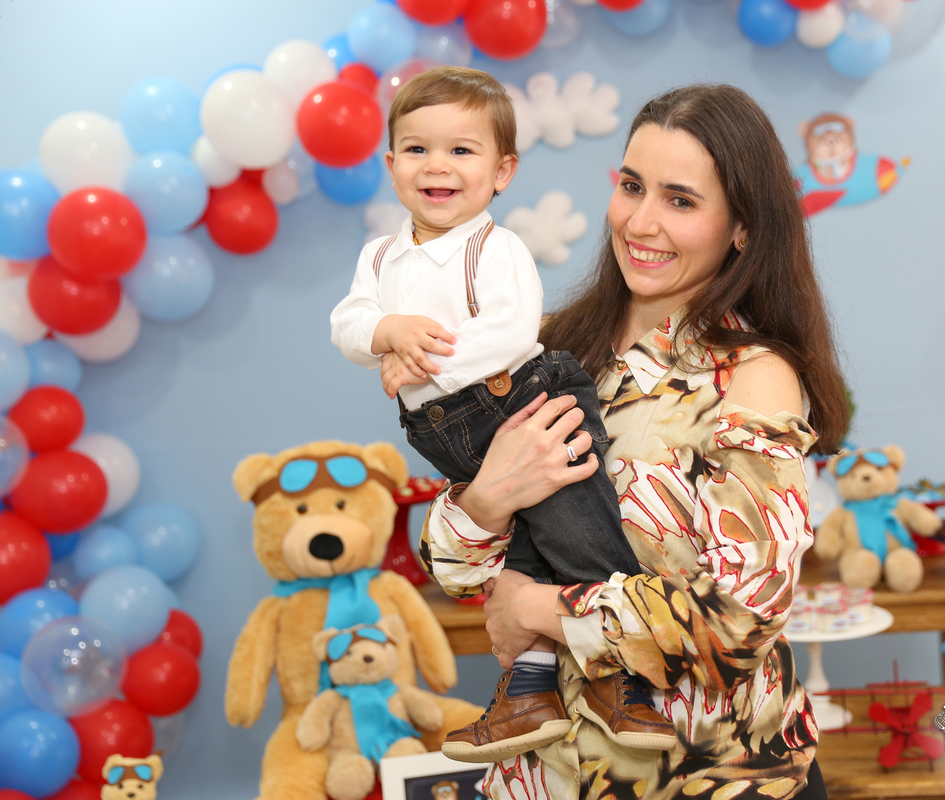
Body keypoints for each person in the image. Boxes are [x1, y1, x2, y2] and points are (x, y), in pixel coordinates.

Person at [421, 83, 849, 800]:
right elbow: (458, 570)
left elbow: (739, 619)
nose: (640, 222)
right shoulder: (549, 350)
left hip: (708, 778)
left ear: (740, 227)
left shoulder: (753, 376)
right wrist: (491, 496)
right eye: (631, 186)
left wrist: (536, 610)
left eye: (681, 201)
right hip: (548, 777)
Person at [328, 66, 672, 764]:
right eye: (417, 149)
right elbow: (349, 321)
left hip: (520, 393)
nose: (438, 166)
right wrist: (384, 331)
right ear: (390, 164)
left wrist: (419, 361)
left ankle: (616, 676)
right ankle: (535, 691)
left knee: (574, 527)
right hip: (444, 428)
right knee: (530, 538)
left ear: (502, 170)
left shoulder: (496, 247)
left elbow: (512, 333)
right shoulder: (381, 255)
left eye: (462, 150)